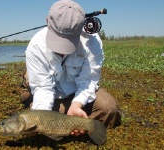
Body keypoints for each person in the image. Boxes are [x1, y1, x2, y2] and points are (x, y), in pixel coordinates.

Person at [20, 0, 121, 136]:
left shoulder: (92, 41)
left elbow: (88, 81)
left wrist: (77, 105)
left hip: (76, 91)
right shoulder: (36, 45)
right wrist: (40, 119)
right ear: (47, 21)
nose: (62, 50)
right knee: (39, 119)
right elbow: (43, 88)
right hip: (49, 91)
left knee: (109, 108)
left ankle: (76, 121)